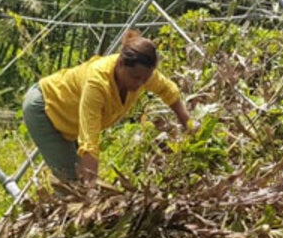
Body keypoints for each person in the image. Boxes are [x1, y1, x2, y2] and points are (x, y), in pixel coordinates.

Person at [22, 30, 191, 184]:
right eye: (135, 77)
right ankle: (69, 215)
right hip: (45, 107)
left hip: (70, 118)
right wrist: (90, 168)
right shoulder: (97, 83)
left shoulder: (143, 74)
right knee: (71, 183)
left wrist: (188, 122)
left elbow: (167, 90)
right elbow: (89, 133)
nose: (139, 83)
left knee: (80, 177)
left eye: (144, 79)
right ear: (120, 64)